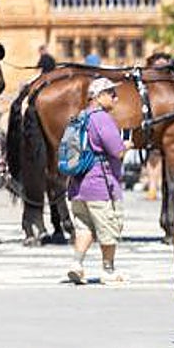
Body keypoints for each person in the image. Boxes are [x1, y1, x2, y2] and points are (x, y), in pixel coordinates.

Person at [66, 77, 128, 286]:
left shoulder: (80, 117)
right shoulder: (102, 118)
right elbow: (117, 151)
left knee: (84, 227)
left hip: (77, 185)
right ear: (99, 96)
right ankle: (108, 270)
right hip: (100, 184)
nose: (116, 98)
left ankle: (77, 264)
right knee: (108, 228)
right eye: (111, 93)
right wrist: (127, 145)